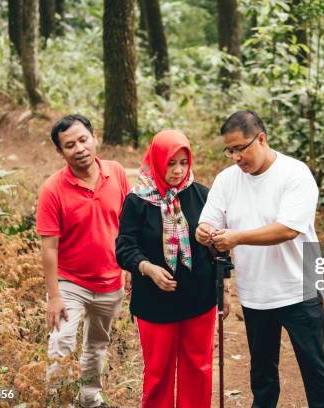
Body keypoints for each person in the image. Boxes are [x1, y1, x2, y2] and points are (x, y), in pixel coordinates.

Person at [197, 111, 324, 407]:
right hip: (255, 293)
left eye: (240, 148)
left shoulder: (295, 173)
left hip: (299, 288)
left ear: (261, 139)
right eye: (230, 150)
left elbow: (288, 229)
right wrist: (205, 232)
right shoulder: (226, 180)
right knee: (262, 375)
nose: (235, 157)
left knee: (315, 369)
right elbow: (208, 220)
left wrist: (236, 236)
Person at [115, 130, 229, 408]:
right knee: (158, 373)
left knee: (199, 368)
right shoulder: (138, 201)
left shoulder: (202, 195)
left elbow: (219, 247)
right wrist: (148, 269)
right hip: (155, 300)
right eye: (170, 163)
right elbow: (124, 248)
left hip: (199, 298)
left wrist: (223, 289)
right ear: (156, 160)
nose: (178, 171)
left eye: (183, 162)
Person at [36, 114, 130, 408]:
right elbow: (49, 248)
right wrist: (54, 296)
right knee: (62, 341)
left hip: (110, 279)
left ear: (94, 136)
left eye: (83, 139)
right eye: (69, 145)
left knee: (97, 344)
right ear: (60, 152)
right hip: (70, 282)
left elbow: (129, 227)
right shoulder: (52, 189)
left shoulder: (116, 173)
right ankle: (60, 399)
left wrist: (132, 271)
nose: (79, 148)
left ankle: (90, 397)